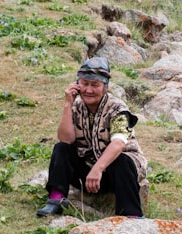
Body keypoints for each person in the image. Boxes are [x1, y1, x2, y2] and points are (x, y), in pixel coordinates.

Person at [37, 57, 148, 217]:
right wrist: (68, 104)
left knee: (122, 161)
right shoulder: (76, 106)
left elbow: (118, 143)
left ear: (105, 87)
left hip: (115, 173)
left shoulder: (118, 109)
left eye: (95, 85)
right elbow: (66, 139)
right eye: (84, 83)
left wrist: (98, 169)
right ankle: (56, 199)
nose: (88, 90)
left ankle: (130, 214)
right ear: (77, 84)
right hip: (88, 171)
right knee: (61, 148)